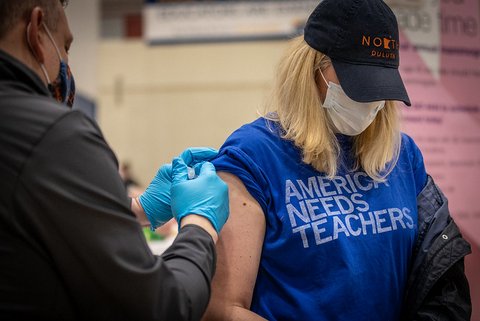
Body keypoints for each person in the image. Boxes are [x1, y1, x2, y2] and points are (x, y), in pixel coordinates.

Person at [201, 0, 472, 320]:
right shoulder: (254, 156)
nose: (373, 102)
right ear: (312, 68)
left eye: (380, 86)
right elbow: (223, 309)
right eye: (359, 85)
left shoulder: (402, 155)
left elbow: (433, 276)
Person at [0, 1, 229, 320]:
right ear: (37, 32)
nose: (67, 63)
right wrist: (199, 224)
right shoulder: (52, 134)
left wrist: (135, 209)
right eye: (65, 46)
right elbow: (162, 307)